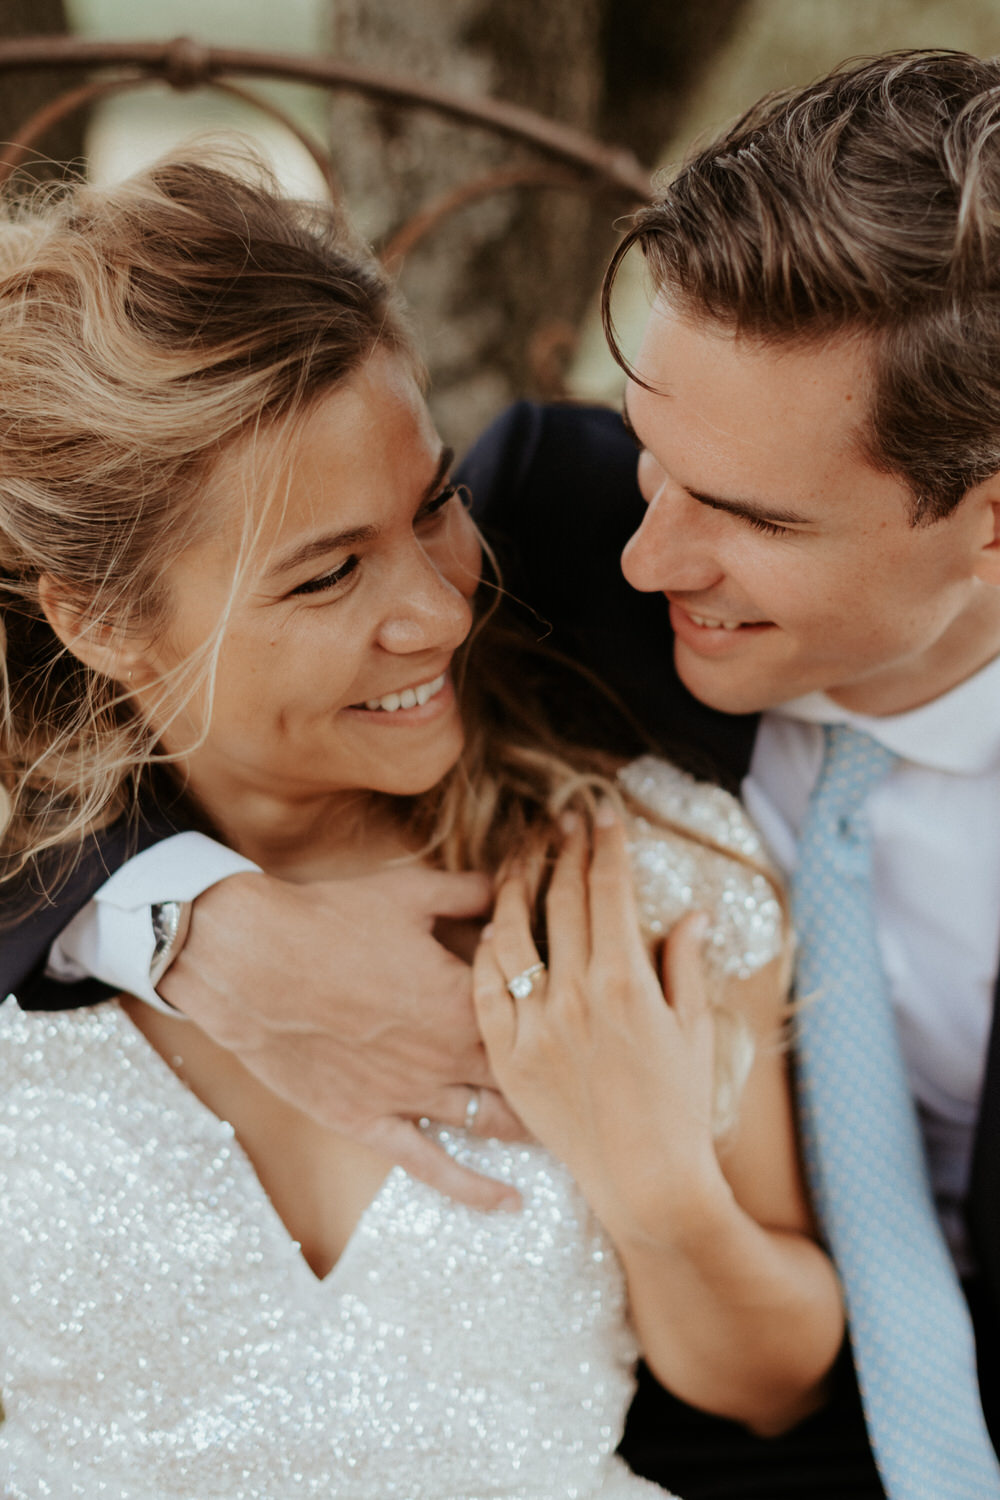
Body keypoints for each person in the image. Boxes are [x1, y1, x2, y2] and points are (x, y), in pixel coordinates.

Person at [9, 44, 1000, 1500]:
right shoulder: (556, 518)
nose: (644, 555)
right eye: (656, 457)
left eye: (745, 516)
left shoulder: (648, 853)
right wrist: (175, 919)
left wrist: (651, 1170)